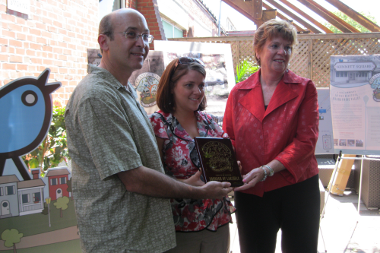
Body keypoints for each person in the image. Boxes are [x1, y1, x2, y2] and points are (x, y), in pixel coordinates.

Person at [65, 8, 232, 253]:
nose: (141, 43)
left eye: (146, 36)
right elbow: (133, 178)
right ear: (104, 42)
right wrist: (195, 190)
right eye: (131, 34)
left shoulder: (125, 90)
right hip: (119, 240)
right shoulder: (97, 96)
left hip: (141, 235)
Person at [223, 19, 320, 253]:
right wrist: (225, 169)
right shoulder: (238, 93)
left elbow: (306, 142)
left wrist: (267, 169)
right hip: (252, 190)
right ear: (257, 50)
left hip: (297, 186)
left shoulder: (305, 89)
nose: (282, 52)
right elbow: (229, 138)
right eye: (274, 45)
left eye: (287, 47)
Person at [149, 57, 235, 253]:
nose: (198, 91)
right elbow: (150, 178)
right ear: (171, 87)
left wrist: (231, 169)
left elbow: (225, 160)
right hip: (179, 226)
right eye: (189, 85)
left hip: (216, 221)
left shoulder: (208, 121)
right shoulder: (158, 124)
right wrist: (187, 185)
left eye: (201, 85)